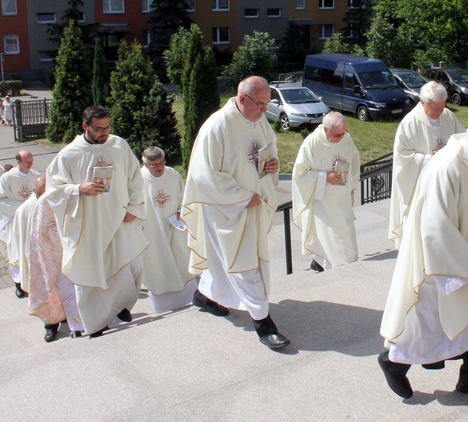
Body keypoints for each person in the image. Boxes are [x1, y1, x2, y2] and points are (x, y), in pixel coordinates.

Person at [378, 112, 468, 402]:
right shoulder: (447, 167)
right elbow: (436, 226)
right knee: (428, 326)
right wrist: (465, 270)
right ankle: (394, 362)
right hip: (447, 265)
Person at [182, 76, 289, 350]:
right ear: (243, 99)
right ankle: (264, 325)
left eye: (267, 104)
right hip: (226, 209)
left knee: (225, 262)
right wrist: (241, 197)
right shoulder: (217, 127)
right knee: (244, 266)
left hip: (251, 204)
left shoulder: (258, 120)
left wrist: (272, 162)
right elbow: (203, 176)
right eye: (261, 104)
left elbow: (269, 147)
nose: (265, 110)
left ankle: (204, 296)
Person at [45, 106, 148, 338]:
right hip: (89, 225)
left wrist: (134, 207)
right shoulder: (69, 155)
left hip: (120, 218)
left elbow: (135, 178)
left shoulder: (119, 145)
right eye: (98, 129)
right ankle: (95, 324)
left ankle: (120, 306)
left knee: (130, 266)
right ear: (85, 126)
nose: (104, 133)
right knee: (91, 274)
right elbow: (54, 191)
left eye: (107, 127)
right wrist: (78, 189)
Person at [388, 81, 464, 249]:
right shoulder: (410, 123)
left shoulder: (448, 116)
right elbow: (402, 156)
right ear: (422, 102)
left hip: (447, 184)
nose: (439, 111)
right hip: (421, 186)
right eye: (435, 107)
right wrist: (431, 159)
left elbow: (462, 141)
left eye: (442, 106)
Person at [292, 112, 360, 272]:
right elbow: (299, 174)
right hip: (323, 205)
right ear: (326, 129)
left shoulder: (346, 139)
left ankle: (318, 261)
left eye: (344, 133)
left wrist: (350, 184)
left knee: (347, 242)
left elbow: (355, 159)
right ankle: (336, 273)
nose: (342, 137)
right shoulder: (312, 143)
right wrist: (324, 177)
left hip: (342, 200)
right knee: (335, 248)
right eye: (338, 135)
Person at [139, 146, 198, 313]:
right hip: (151, 230)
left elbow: (183, 196)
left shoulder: (172, 174)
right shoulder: (137, 180)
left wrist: (181, 210)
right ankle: (164, 305)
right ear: (145, 164)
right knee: (157, 263)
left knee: (181, 258)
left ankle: (190, 296)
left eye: (161, 162)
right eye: (154, 164)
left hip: (174, 226)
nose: (159, 167)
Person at [28, 176, 84, 342]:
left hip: (76, 251)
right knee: (66, 291)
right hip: (56, 253)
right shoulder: (45, 201)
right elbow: (43, 230)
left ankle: (85, 323)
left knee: (80, 289)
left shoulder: (71, 192)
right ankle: (67, 326)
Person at [0, 150, 40, 298]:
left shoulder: (36, 176)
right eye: (27, 161)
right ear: (18, 162)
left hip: (33, 221)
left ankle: (33, 282)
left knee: (32, 252)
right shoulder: (7, 178)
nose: (30, 163)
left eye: (32, 160)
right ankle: (18, 284)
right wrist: (22, 208)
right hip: (15, 222)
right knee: (17, 252)